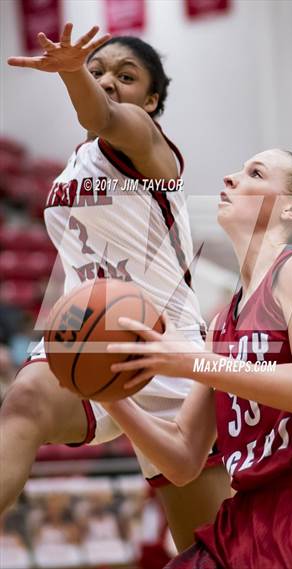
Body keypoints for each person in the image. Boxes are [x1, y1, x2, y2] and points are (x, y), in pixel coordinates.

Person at [100, 146, 292, 568]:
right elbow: (182, 458)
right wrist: (106, 393)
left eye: (255, 173)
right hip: (248, 510)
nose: (230, 178)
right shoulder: (223, 321)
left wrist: (188, 362)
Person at [2, 23, 231, 551]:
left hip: (166, 349)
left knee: (210, 548)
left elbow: (101, 115)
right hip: (90, 334)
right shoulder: (72, 167)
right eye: (97, 70)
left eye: (125, 77)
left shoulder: (148, 144)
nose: (106, 82)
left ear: (151, 101)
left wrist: (74, 75)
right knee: (25, 402)